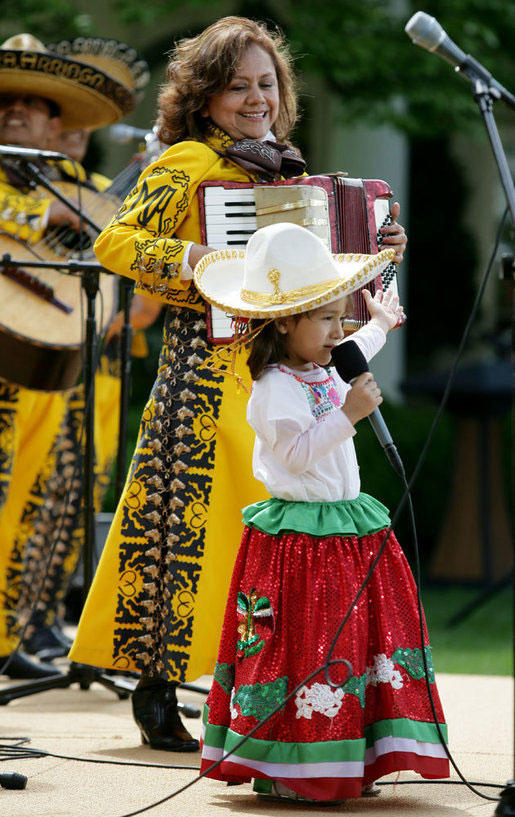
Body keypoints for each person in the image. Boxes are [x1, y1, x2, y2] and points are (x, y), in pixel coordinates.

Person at [69, 16, 408, 751]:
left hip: (287, 380)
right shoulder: (190, 161)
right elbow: (115, 240)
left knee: (279, 547)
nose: (254, 98)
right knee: (180, 537)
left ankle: (266, 694)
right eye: (236, 86)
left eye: (265, 84)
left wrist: (376, 249)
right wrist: (200, 260)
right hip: (204, 378)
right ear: (204, 95)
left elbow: (319, 286)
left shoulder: (287, 171)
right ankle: (154, 687)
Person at [196, 221, 449, 803]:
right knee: (304, 643)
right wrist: (349, 416)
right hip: (302, 539)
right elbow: (294, 454)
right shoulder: (273, 390)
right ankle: (289, 764)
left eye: (342, 317)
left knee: (353, 640)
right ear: (285, 321)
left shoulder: (327, 365)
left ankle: (348, 753)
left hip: (347, 527)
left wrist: (381, 321)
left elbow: (363, 347)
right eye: (327, 319)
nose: (340, 331)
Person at [0, 33, 145, 678]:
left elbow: (127, 290)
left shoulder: (79, 190)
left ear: (56, 122)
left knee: (46, 499)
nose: (12, 112)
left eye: (29, 105)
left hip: (65, 362)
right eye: (6, 103)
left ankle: (15, 635)